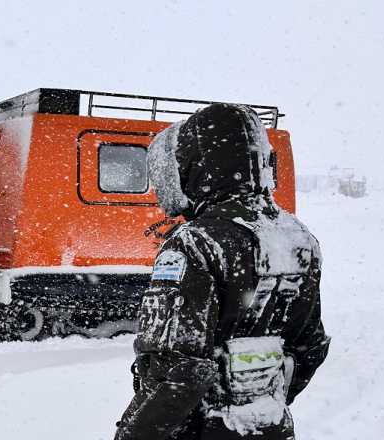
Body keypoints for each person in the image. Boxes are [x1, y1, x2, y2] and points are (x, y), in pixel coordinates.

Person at [114, 103, 330, 440]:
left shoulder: (194, 243)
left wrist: (131, 435)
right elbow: (310, 346)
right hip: (271, 426)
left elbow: (178, 370)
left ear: (197, 166)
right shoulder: (299, 238)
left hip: (201, 430)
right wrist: (261, 400)